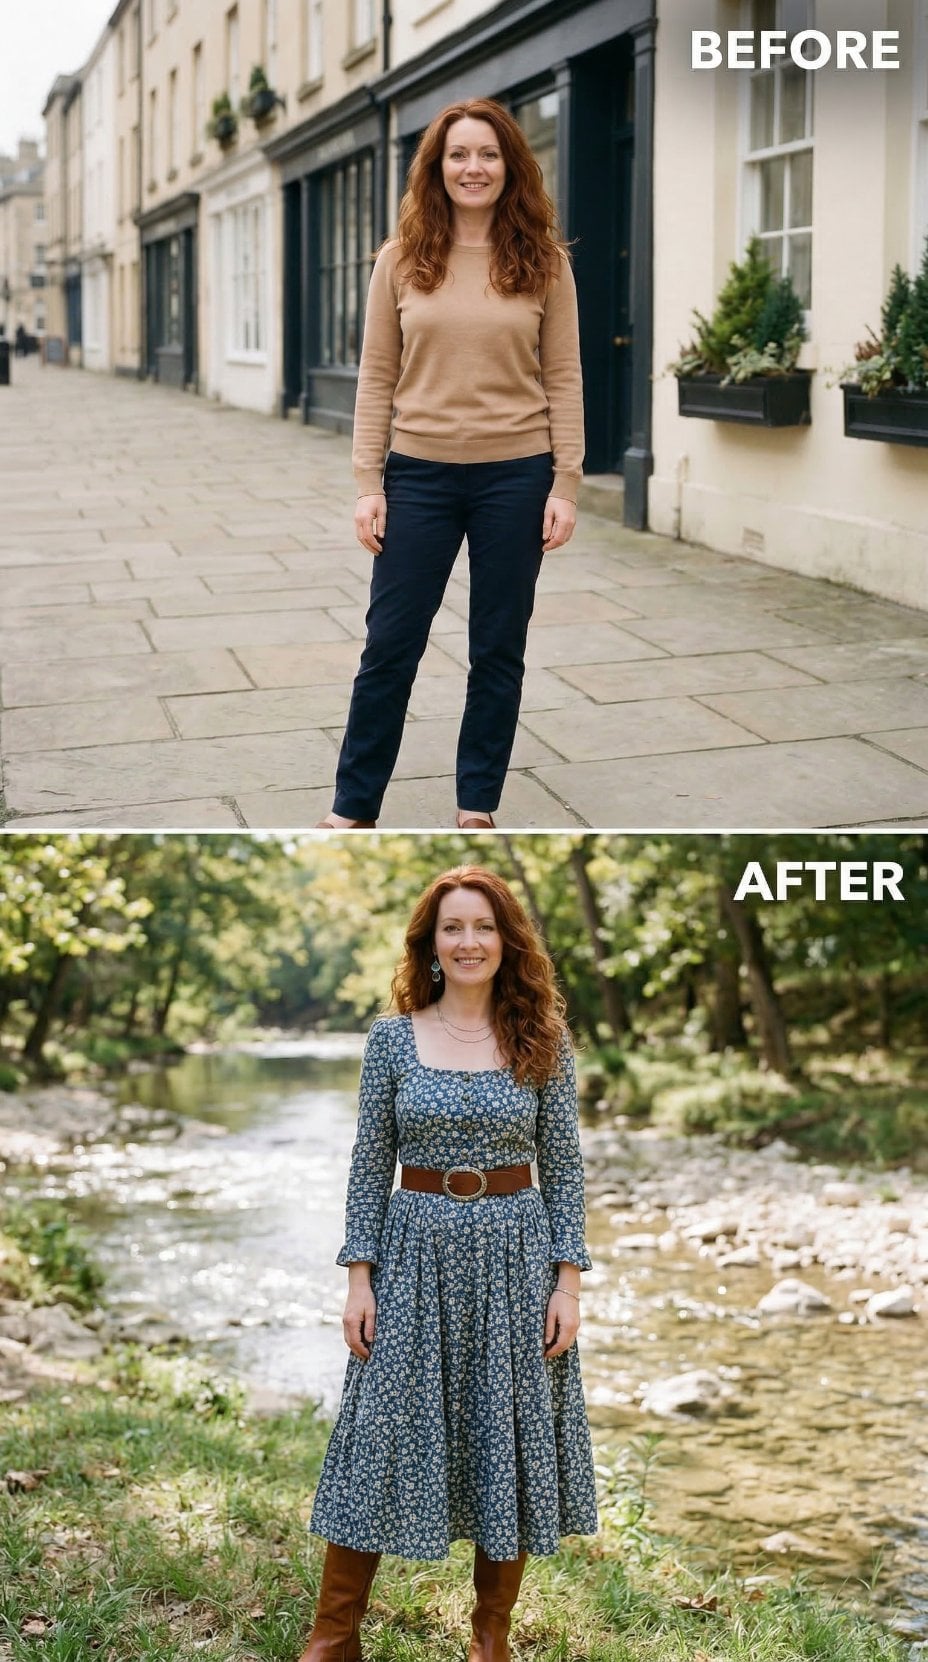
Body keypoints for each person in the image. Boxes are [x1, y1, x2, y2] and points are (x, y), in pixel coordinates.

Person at [298, 866, 598, 1661]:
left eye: (484, 928)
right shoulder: (393, 1037)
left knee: (508, 1432)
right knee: (376, 1431)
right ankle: (335, 1636)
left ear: (508, 942)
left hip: (516, 1255)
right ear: (431, 945)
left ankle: (488, 1637)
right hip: (410, 1250)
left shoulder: (543, 1040)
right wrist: (357, 1276)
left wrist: (568, 1279)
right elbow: (370, 1162)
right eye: (453, 928)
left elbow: (563, 1165)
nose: (469, 942)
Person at [315, 98, 584, 833]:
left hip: (517, 476)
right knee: (390, 646)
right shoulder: (401, 260)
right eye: (459, 155)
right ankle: (351, 808)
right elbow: (377, 375)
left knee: (498, 647)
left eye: (489, 155)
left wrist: (565, 482)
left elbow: (563, 376)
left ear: (511, 168)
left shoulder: (545, 263)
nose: (474, 167)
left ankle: (477, 805)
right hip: (420, 477)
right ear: (437, 168)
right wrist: (368, 484)